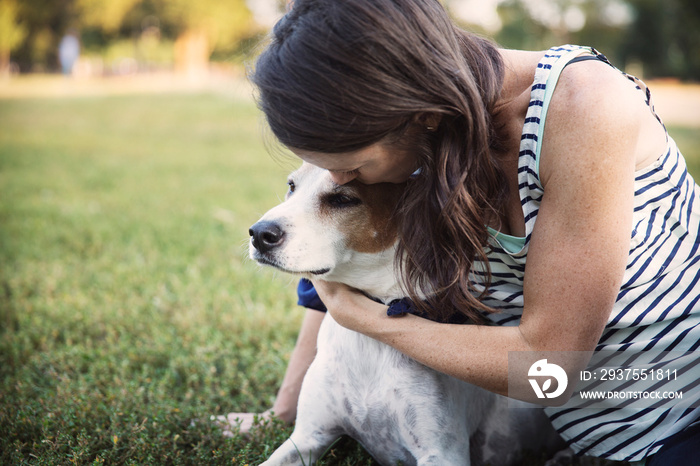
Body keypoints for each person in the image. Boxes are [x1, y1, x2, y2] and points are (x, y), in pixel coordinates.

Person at [223, 0, 700, 463]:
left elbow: (547, 370)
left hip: (679, 402)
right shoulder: (425, 140)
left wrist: (368, 319)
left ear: (420, 114)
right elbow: (344, 257)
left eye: (352, 166)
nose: (342, 181)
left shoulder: (587, 106)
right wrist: (286, 408)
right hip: (575, 426)